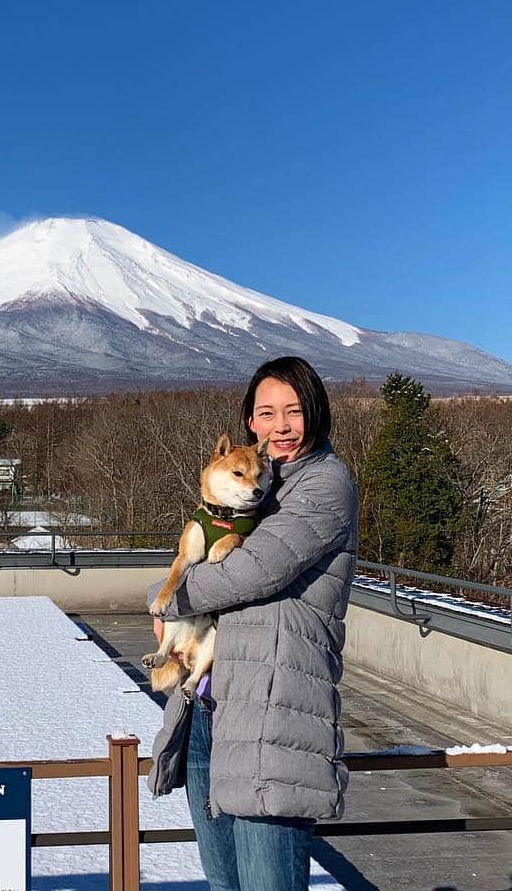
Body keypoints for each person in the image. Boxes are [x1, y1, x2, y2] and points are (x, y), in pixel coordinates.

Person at [147, 356, 358, 891]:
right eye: (266, 413)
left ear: (317, 413)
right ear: (249, 421)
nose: (280, 426)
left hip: (273, 718)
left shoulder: (323, 487)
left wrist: (165, 601)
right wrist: (165, 597)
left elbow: (248, 573)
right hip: (207, 709)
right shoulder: (255, 483)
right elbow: (194, 561)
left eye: (294, 411)